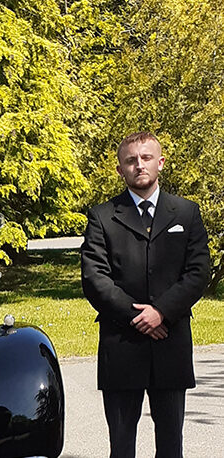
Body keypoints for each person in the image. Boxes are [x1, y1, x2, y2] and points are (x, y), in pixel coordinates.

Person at [81, 132, 209, 458]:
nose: (139, 165)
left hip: (171, 344)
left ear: (160, 162)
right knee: (121, 447)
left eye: (147, 158)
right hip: (121, 346)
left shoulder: (186, 213)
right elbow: (95, 278)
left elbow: (198, 273)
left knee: (171, 446)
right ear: (120, 169)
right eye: (131, 160)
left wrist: (161, 312)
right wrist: (139, 316)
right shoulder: (102, 216)